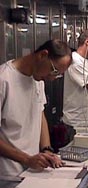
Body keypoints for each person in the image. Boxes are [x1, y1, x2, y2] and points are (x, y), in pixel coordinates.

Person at [0, 39, 72, 181]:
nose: (52, 78)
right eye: (54, 70)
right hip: (9, 174)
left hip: (32, 171)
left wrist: (46, 149)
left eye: (57, 75)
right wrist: (26, 159)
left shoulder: (37, 79)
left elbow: (40, 114)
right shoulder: (4, 80)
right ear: (42, 55)